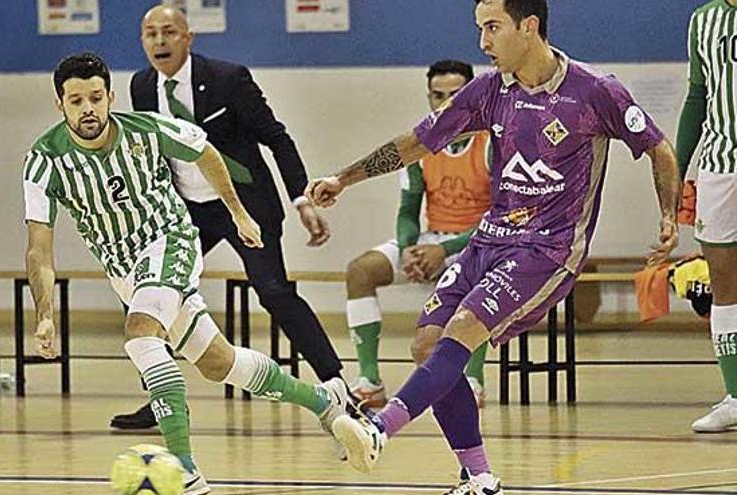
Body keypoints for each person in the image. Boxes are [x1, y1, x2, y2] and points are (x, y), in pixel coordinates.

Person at [307, 0, 681, 492]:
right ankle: (479, 477)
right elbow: (417, 141)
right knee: (426, 345)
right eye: (480, 28)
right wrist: (344, 178)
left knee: (463, 328)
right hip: (490, 239)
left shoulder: (595, 90)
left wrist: (669, 215)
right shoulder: (488, 90)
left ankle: (379, 429)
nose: (483, 42)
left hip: (548, 250)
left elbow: (659, 148)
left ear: (529, 27)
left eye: (492, 27)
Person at [23, 52, 352, 495]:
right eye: (77, 100)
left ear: (110, 97)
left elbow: (204, 149)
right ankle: (323, 401)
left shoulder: (146, 131)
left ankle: (184, 473)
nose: (88, 109)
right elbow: (38, 250)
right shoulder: (44, 161)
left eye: (96, 98)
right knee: (220, 363)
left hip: (170, 240)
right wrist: (45, 312)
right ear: (59, 103)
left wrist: (238, 212)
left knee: (140, 335)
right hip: (125, 269)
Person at [111, 3, 349, 430]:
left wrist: (301, 199)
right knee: (147, 295)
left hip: (245, 204)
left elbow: (276, 138)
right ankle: (164, 399)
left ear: (189, 38)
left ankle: (337, 385)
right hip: (187, 210)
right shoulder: (142, 87)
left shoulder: (227, 78)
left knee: (273, 291)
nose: (160, 41)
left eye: (169, 32)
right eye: (151, 34)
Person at [345, 59, 492, 408]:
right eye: (437, 95)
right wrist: (410, 248)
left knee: (477, 275)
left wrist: (445, 250)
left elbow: (502, 218)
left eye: (454, 95)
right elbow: (408, 210)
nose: (444, 103)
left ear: (470, 95)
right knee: (360, 271)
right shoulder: (422, 146)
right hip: (432, 239)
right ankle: (369, 380)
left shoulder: (492, 145)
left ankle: (472, 379)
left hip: (480, 241)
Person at [676, 0, 737, 434]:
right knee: (723, 282)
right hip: (719, 166)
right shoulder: (703, 19)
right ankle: (735, 394)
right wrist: (675, 172)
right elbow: (697, 97)